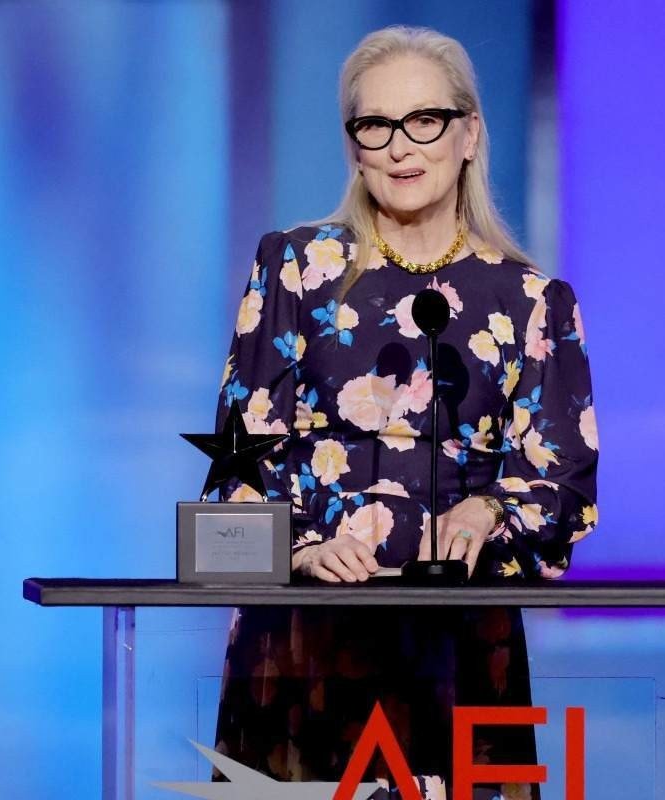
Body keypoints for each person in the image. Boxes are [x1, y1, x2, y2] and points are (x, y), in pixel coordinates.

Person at [210, 25, 598, 800]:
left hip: (457, 654)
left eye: (424, 120)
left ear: (468, 134)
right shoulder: (294, 271)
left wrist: (489, 510)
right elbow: (235, 479)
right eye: (376, 126)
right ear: (354, 146)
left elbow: (564, 490)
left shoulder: (530, 302)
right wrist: (302, 552)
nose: (400, 147)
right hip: (306, 650)